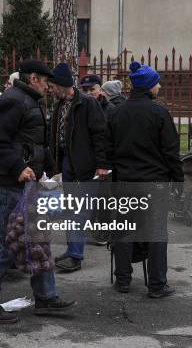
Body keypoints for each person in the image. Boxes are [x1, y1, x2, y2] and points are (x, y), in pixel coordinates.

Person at [0, 59, 75, 324]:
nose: (49, 87)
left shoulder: (27, 100)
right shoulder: (15, 100)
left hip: (24, 182)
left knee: (37, 239)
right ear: (34, 78)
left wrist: (50, 168)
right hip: (10, 184)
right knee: (5, 243)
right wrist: (18, 166)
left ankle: (46, 298)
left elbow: (33, 143)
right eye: (46, 82)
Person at [105, 61, 183, 298]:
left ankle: (123, 280)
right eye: (157, 83)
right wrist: (178, 181)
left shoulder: (117, 112)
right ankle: (157, 284)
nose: (159, 86)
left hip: (125, 181)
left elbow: (108, 150)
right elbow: (171, 152)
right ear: (149, 86)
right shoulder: (159, 113)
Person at [48, 63, 109, 273]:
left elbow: (100, 134)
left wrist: (101, 164)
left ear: (63, 85)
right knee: (72, 209)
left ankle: (75, 255)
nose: (50, 89)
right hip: (68, 162)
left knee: (81, 211)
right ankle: (71, 250)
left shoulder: (88, 103)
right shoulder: (59, 104)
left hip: (87, 164)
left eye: (52, 85)